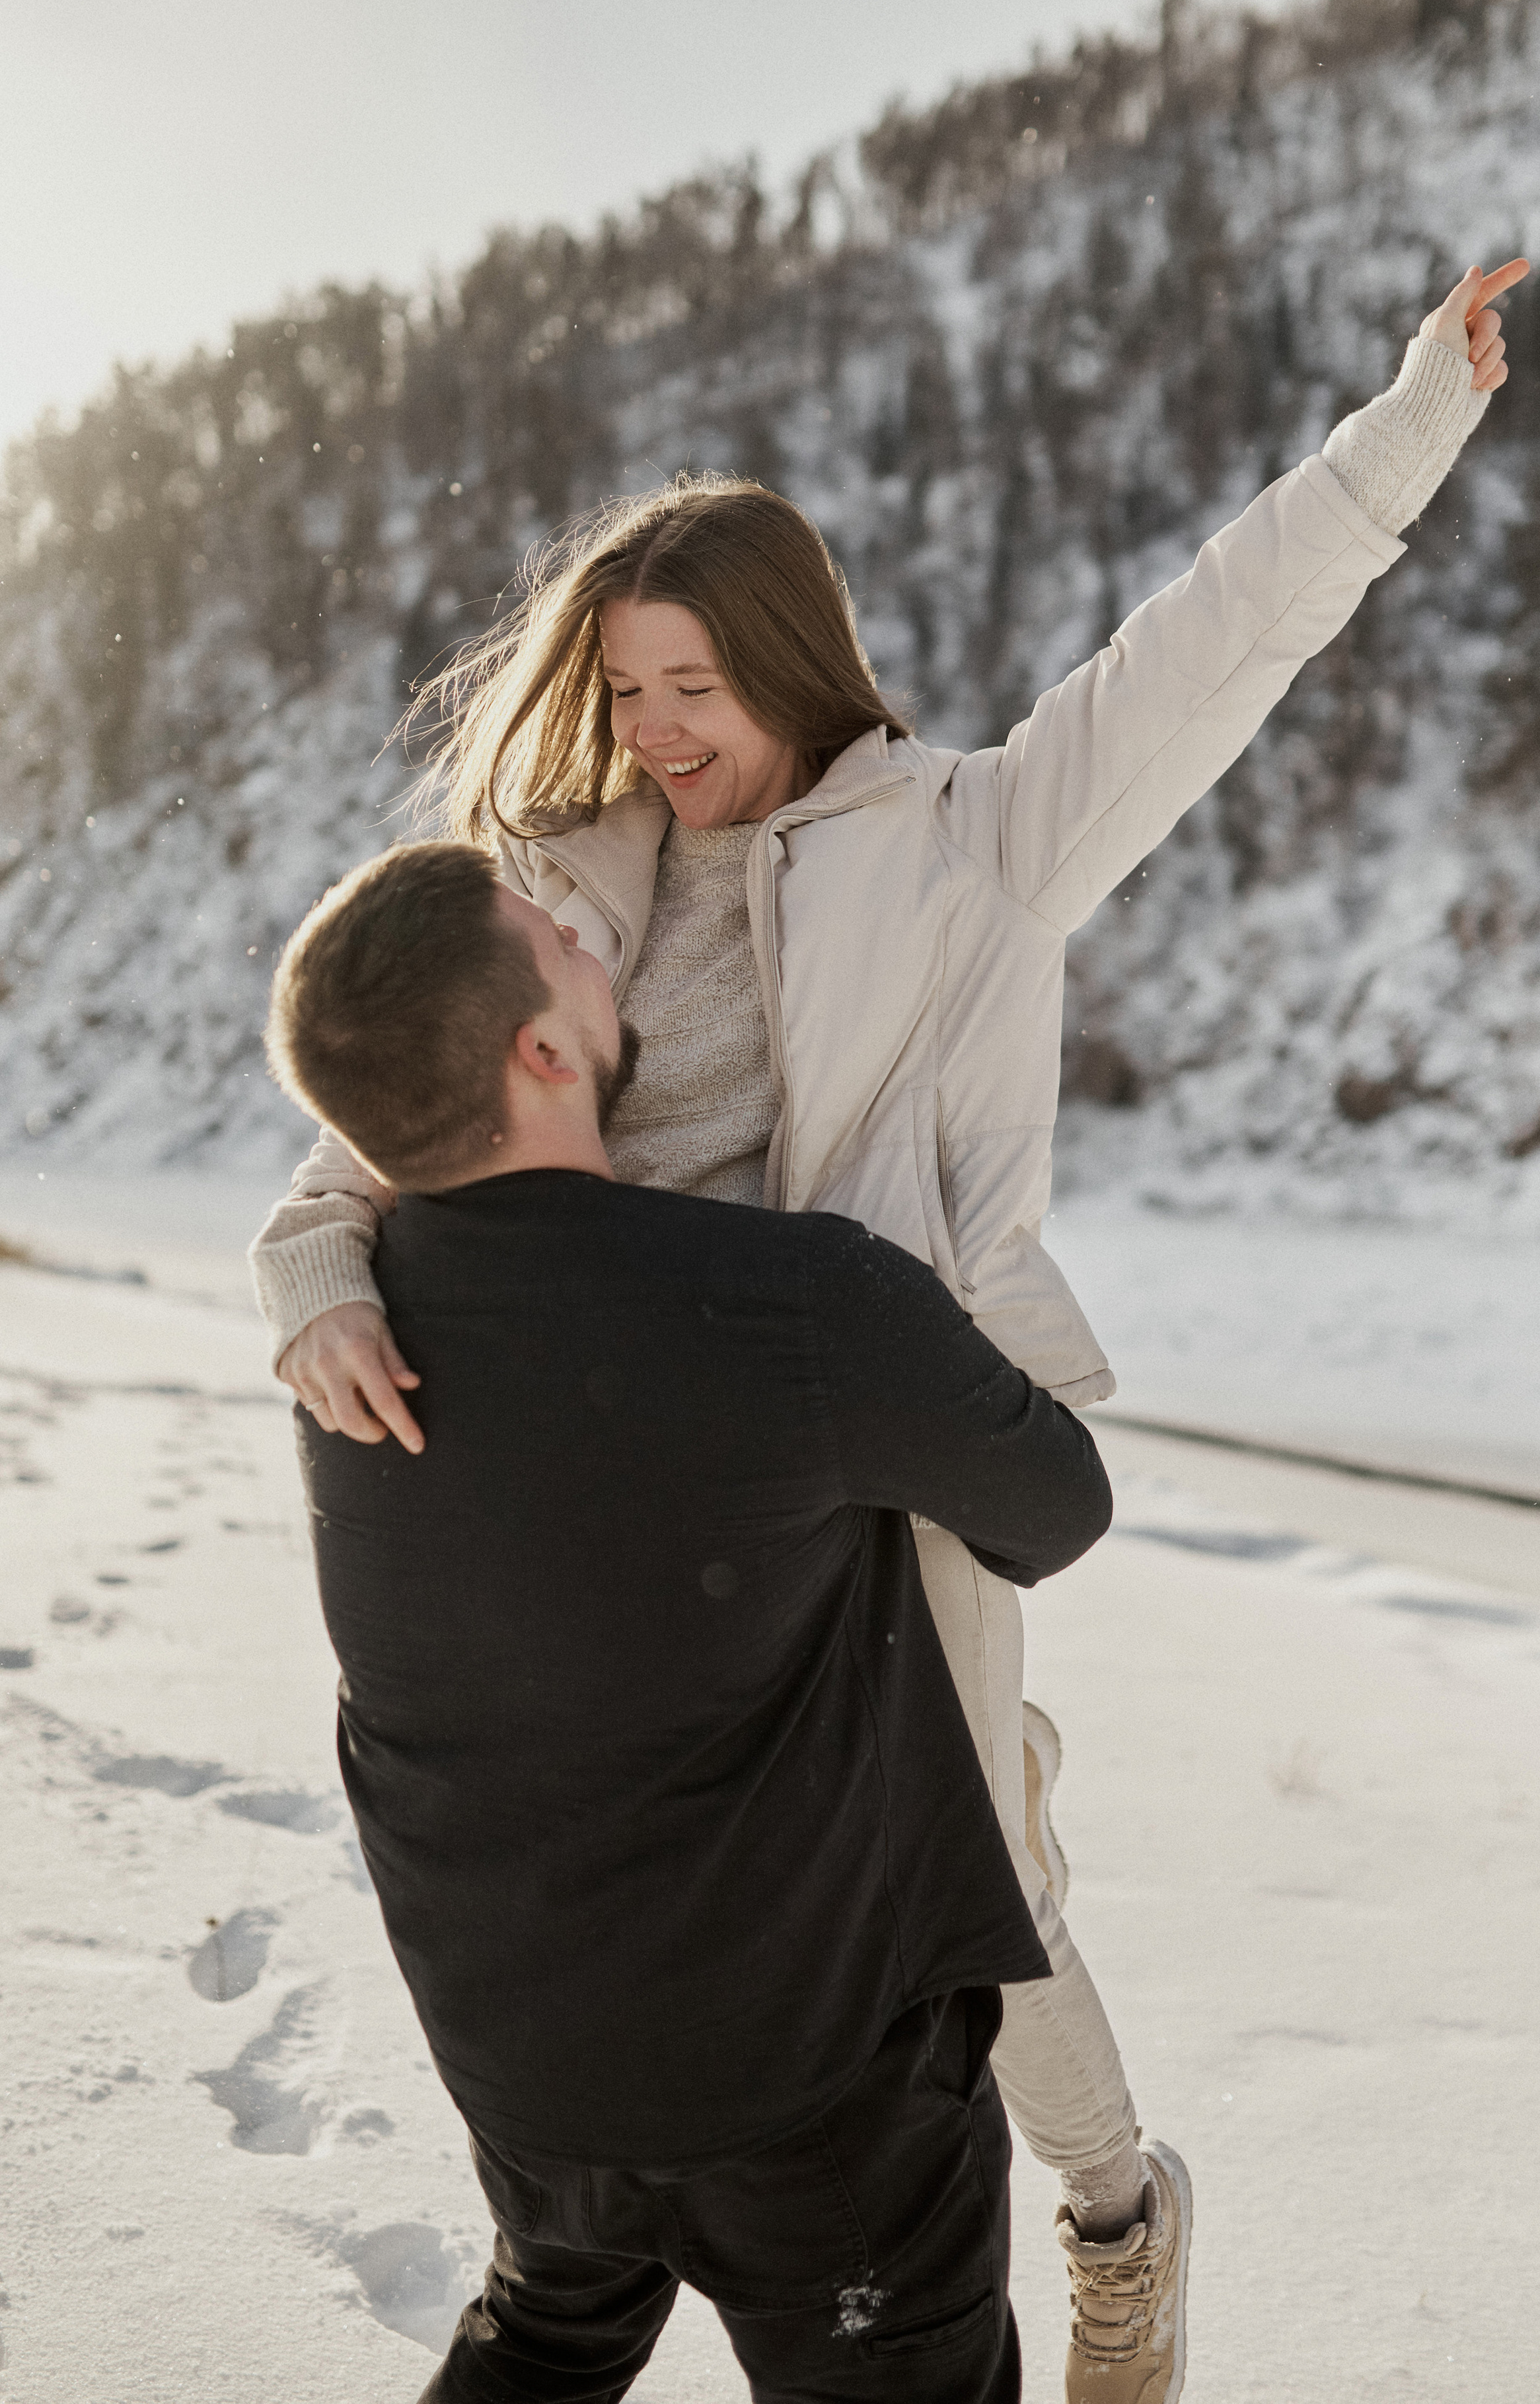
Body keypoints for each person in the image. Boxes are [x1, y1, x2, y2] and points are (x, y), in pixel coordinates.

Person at [252, 260, 1526, 2399]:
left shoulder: (974, 845)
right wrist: (313, 1271)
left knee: (974, 1862)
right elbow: (389, 1101)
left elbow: (1216, 642)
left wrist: (1408, 425)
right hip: (658, 1468)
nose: (653, 729)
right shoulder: (561, 873)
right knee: (671, 1889)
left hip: (881, 1425)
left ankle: (1115, 2211)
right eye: (623, 684)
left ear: (785, 661)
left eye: (690, 684)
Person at [268, 837, 1125, 2403]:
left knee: (548, 2330)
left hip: (521, 2066)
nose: (605, 946)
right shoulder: (801, 1303)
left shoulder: (348, 1342)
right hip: (811, 2095)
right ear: (543, 1051)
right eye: (565, 940)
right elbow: (1054, 1508)